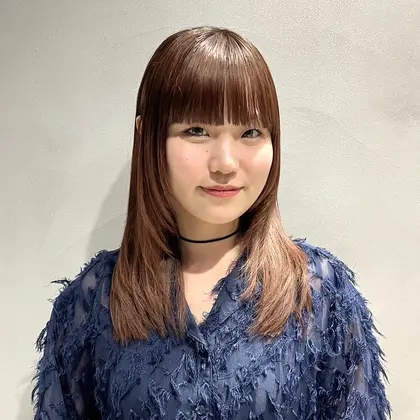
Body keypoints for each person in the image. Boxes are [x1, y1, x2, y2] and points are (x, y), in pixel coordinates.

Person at [31, 26, 391, 419]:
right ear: (148, 136)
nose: (225, 163)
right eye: (197, 131)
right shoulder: (95, 302)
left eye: (250, 132)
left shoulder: (318, 295)